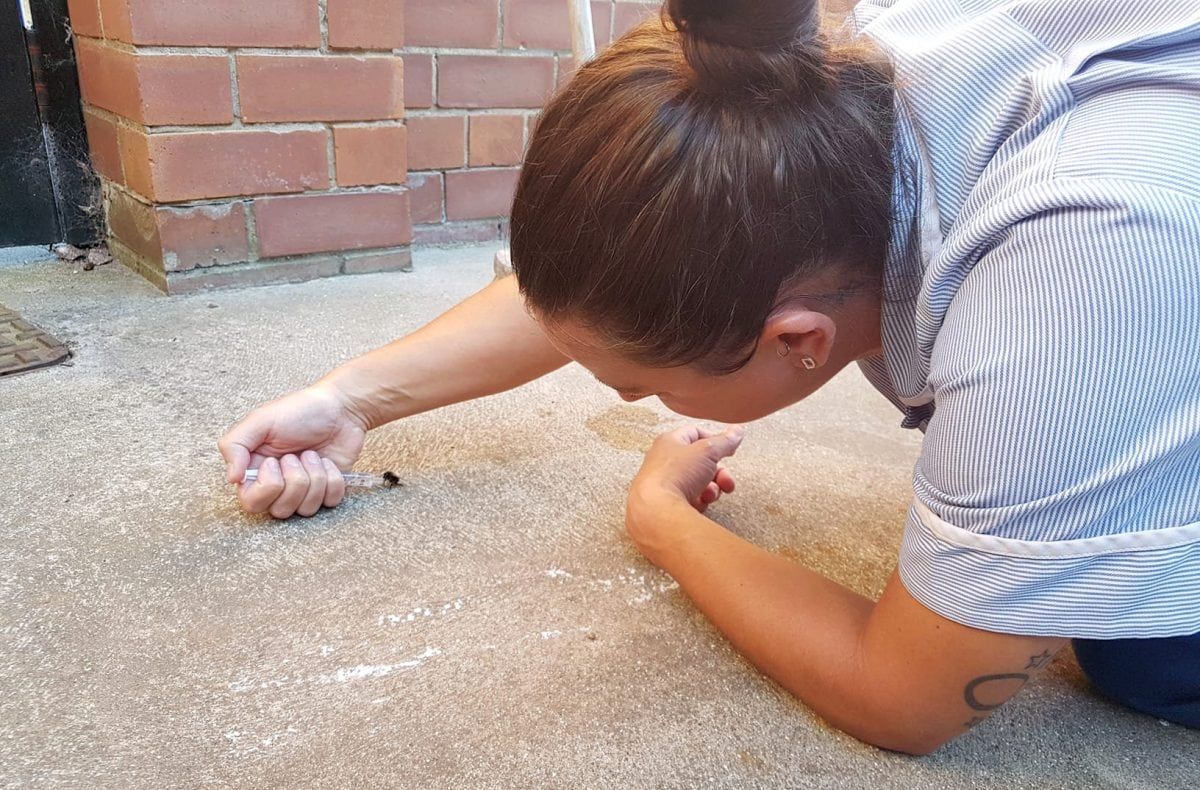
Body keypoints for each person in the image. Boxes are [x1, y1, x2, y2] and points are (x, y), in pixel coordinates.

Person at [219, 0, 1200, 752]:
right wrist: (353, 397)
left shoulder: (1061, 296)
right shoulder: (811, 89)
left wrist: (664, 522)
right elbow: (618, 292)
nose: (624, 395)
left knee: (1130, 644)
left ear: (798, 339)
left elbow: (908, 696)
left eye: (642, 389)